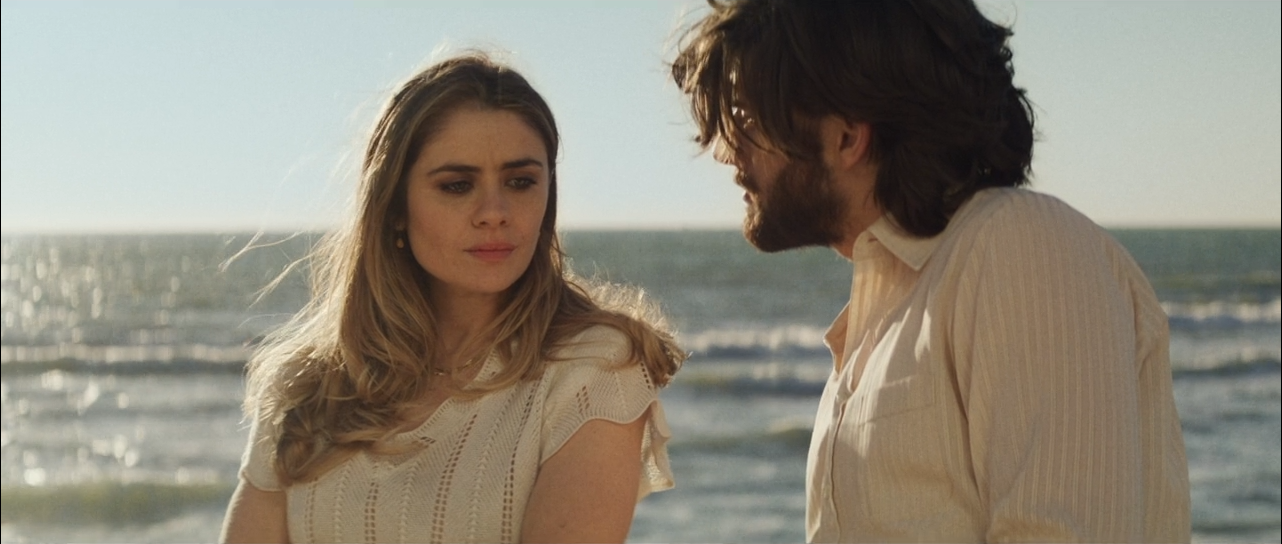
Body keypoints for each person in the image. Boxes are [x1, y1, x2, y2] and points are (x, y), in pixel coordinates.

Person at [670, 1, 1190, 542]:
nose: (727, 154)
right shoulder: (891, 310)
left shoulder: (1020, 246)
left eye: (747, 121)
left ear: (848, 136)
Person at [220, 53, 684, 544]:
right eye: (457, 186)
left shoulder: (594, 370)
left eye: (521, 182)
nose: (494, 212)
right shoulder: (305, 386)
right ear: (395, 207)